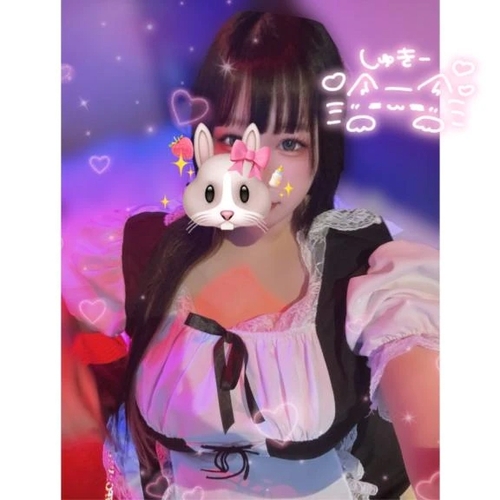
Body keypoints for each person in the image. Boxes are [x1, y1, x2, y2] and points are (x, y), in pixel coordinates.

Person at [62, 11, 439, 500]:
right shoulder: (141, 248)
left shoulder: (367, 269)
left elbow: (432, 436)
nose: (255, 173)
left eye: (290, 142)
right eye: (232, 139)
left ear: (322, 151)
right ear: (202, 141)